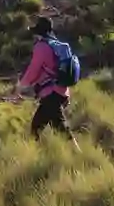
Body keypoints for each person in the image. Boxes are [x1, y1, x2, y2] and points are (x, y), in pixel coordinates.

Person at [16, 17, 81, 151]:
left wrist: (22, 85)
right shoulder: (56, 44)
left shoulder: (41, 46)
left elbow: (34, 69)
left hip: (51, 94)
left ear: (38, 32)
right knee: (38, 126)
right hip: (61, 92)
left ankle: (78, 156)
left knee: (60, 129)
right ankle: (38, 154)